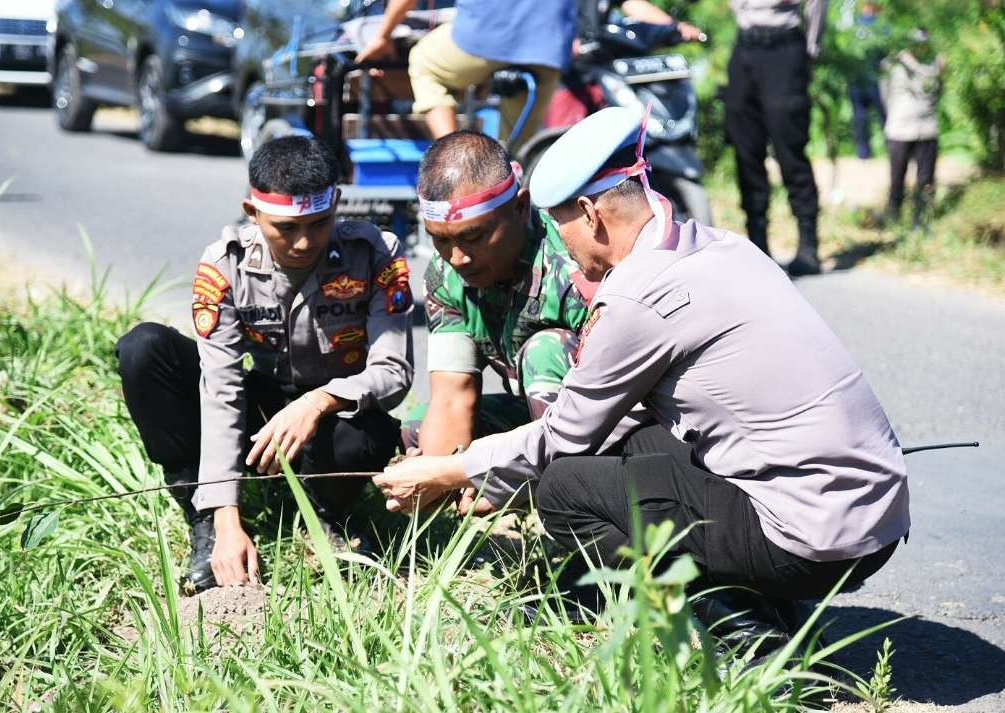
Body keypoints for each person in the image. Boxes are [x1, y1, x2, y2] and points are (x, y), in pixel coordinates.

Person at [375, 107, 909, 649]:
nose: (564, 244)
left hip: (814, 538)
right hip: (874, 518)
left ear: (591, 215)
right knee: (639, 446)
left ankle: (738, 631)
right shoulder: (720, 246)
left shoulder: (634, 296)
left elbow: (565, 437)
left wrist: (451, 472)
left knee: (565, 489)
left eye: (561, 227)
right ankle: (760, 597)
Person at [115, 136, 413, 593]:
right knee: (144, 349)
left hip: (332, 418)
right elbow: (221, 388)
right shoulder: (224, 265)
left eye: (319, 223)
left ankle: (325, 516)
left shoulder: (374, 254)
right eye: (285, 228)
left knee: (370, 434)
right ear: (252, 212)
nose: (303, 242)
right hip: (261, 413)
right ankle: (204, 519)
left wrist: (319, 401)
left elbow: (393, 371)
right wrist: (227, 516)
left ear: (337, 204)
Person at [402, 130, 649, 515]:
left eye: (473, 237)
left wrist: (506, 476)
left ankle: (575, 507)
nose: (458, 258)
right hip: (536, 420)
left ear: (520, 207)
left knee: (544, 350)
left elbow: (627, 399)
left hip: (614, 426)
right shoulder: (445, 276)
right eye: (440, 241)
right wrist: (430, 483)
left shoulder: (575, 267)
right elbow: (452, 395)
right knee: (419, 427)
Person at [355, 0, 576, 149]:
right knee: (517, 154)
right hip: (549, 46)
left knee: (425, 62)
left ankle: (455, 158)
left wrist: (382, 36)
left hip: (484, 34)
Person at [725, 0, 828, 275]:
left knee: (790, 149)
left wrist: (811, 49)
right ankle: (757, 244)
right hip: (745, 46)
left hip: (784, 47)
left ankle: (808, 245)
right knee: (745, 149)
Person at [881, 28, 944, 229]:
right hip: (899, 129)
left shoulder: (936, 63)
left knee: (925, 180)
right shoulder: (892, 64)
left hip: (926, 129)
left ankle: (921, 222)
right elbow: (884, 94)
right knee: (896, 179)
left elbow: (936, 91)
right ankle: (893, 220)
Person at [847, 2, 888, 160]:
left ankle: (864, 153)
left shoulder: (854, 26)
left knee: (864, 118)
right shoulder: (881, 26)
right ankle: (870, 152)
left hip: (867, 82)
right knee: (870, 118)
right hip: (867, 82)